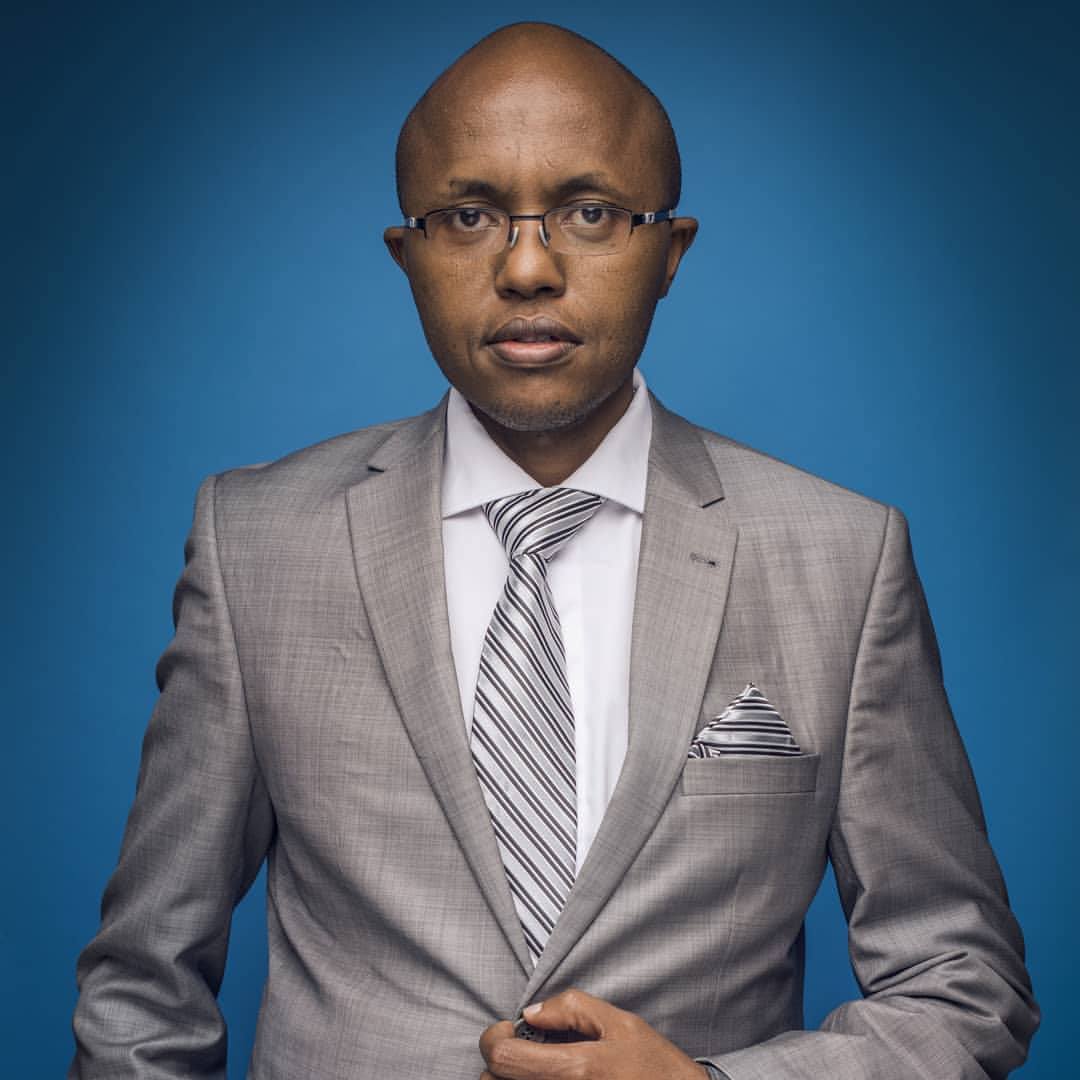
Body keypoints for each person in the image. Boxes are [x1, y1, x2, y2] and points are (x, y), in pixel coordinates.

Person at [70, 21, 1038, 1080]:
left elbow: (963, 984)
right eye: (469, 214)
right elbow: (141, 987)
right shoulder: (258, 542)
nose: (527, 266)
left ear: (670, 253)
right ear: (408, 254)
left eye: (590, 211)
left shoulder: (844, 561)